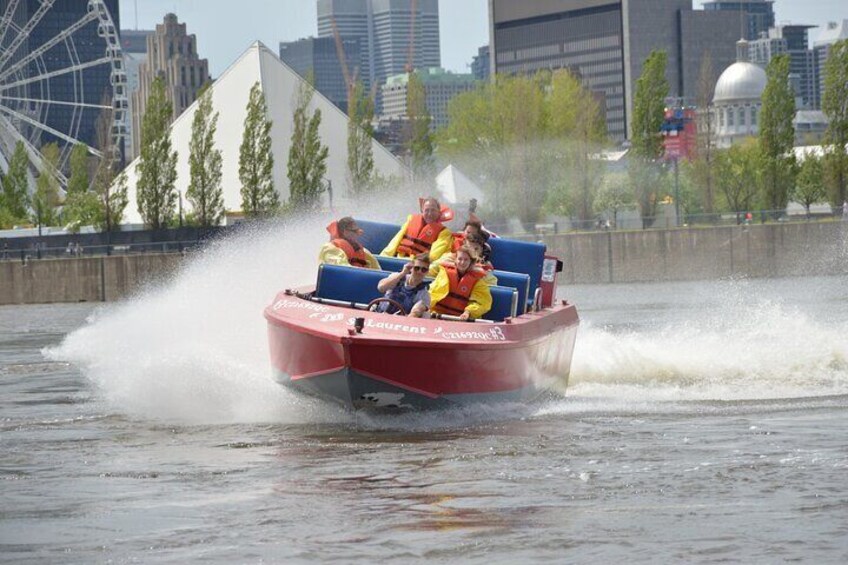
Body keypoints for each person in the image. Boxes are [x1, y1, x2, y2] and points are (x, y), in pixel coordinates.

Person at [429, 244, 492, 321]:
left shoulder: (478, 281)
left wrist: (468, 312)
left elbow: (482, 303)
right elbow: (434, 293)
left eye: (466, 260)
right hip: (438, 315)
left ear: (471, 261)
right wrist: (425, 306)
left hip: (460, 319)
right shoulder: (445, 273)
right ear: (455, 260)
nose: (462, 262)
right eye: (460, 259)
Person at [381, 197, 453, 262]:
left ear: (439, 212)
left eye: (433, 210)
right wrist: (383, 257)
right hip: (399, 259)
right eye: (426, 210)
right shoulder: (411, 220)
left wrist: (419, 265)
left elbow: (434, 256)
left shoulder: (444, 232)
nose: (430, 214)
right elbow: (394, 242)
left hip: (419, 266)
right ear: (422, 211)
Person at [375, 252, 431, 317]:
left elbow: (415, 312)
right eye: (417, 268)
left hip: (398, 322)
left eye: (423, 270)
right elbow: (381, 288)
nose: (419, 272)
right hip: (378, 315)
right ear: (411, 268)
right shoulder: (396, 277)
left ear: (427, 272)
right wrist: (403, 273)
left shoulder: (424, 294)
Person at [430, 231, 497, 286]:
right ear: (464, 245)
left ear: (481, 250)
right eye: (469, 248)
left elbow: (492, 286)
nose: (472, 252)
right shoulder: (448, 258)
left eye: (476, 249)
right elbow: (430, 271)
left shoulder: (484, 268)